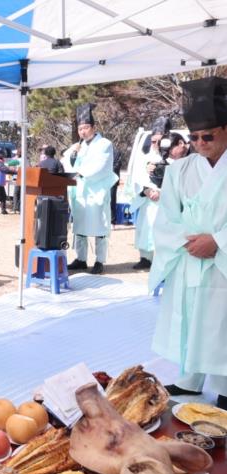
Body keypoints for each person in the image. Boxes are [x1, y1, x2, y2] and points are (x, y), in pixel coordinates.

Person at [149, 76, 227, 411]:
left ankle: (224, 385)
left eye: (208, 136)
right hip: (189, 256)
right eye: (194, 137)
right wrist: (189, 242)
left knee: (220, 323)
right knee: (191, 319)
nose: (199, 143)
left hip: (222, 261)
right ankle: (189, 379)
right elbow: (167, 218)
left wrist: (218, 241)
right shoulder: (179, 170)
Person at [61, 103, 118, 275]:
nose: (83, 132)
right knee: (79, 228)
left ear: (93, 127)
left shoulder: (105, 144)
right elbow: (65, 160)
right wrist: (73, 154)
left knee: (99, 228)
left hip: (96, 192)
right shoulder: (78, 146)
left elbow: (101, 166)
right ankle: (81, 259)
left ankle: (99, 261)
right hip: (80, 192)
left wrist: (81, 172)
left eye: (86, 128)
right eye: (80, 129)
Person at [128, 116, 173, 270]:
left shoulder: (174, 158)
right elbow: (137, 178)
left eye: (159, 141)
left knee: (162, 231)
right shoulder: (145, 158)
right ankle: (145, 258)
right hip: (148, 201)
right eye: (153, 141)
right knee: (145, 228)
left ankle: (162, 259)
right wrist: (146, 190)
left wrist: (161, 192)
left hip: (165, 203)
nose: (155, 145)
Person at [0, 147, 16, 214]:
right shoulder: (0, 162)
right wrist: (14, 172)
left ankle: (1, 210)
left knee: (1, 196)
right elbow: (4, 169)